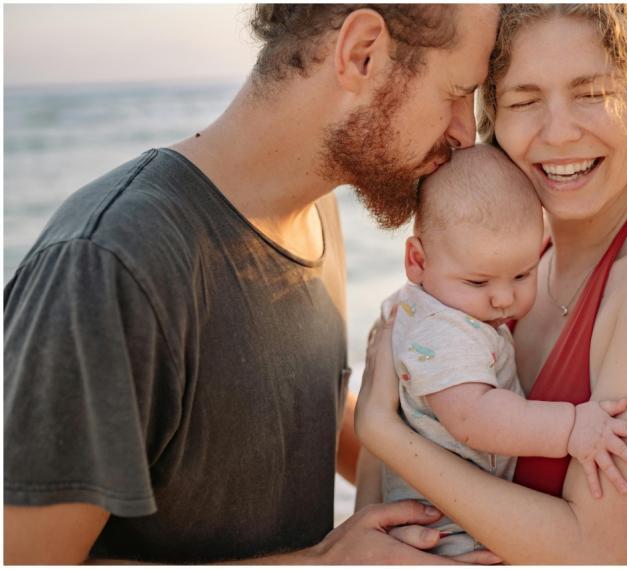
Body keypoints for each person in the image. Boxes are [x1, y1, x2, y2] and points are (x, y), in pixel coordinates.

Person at [4, 4, 503, 564]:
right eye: (458, 91)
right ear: (362, 53)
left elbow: (289, 406)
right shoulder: (109, 263)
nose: (465, 129)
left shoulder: (315, 214)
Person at [355, 4, 627, 564]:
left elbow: (598, 553)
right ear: (493, 117)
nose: (560, 131)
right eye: (524, 100)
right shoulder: (506, 270)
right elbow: (376, 516)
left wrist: (378, 430)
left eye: (591, 94)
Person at [355, 145, 627, 556]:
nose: (502, 299)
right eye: (478, 282)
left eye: (521, 274)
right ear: (417, 260)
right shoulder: (442, 331)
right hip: (446, 535)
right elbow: (473, 418)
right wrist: (570, 428)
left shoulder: (428, 302)